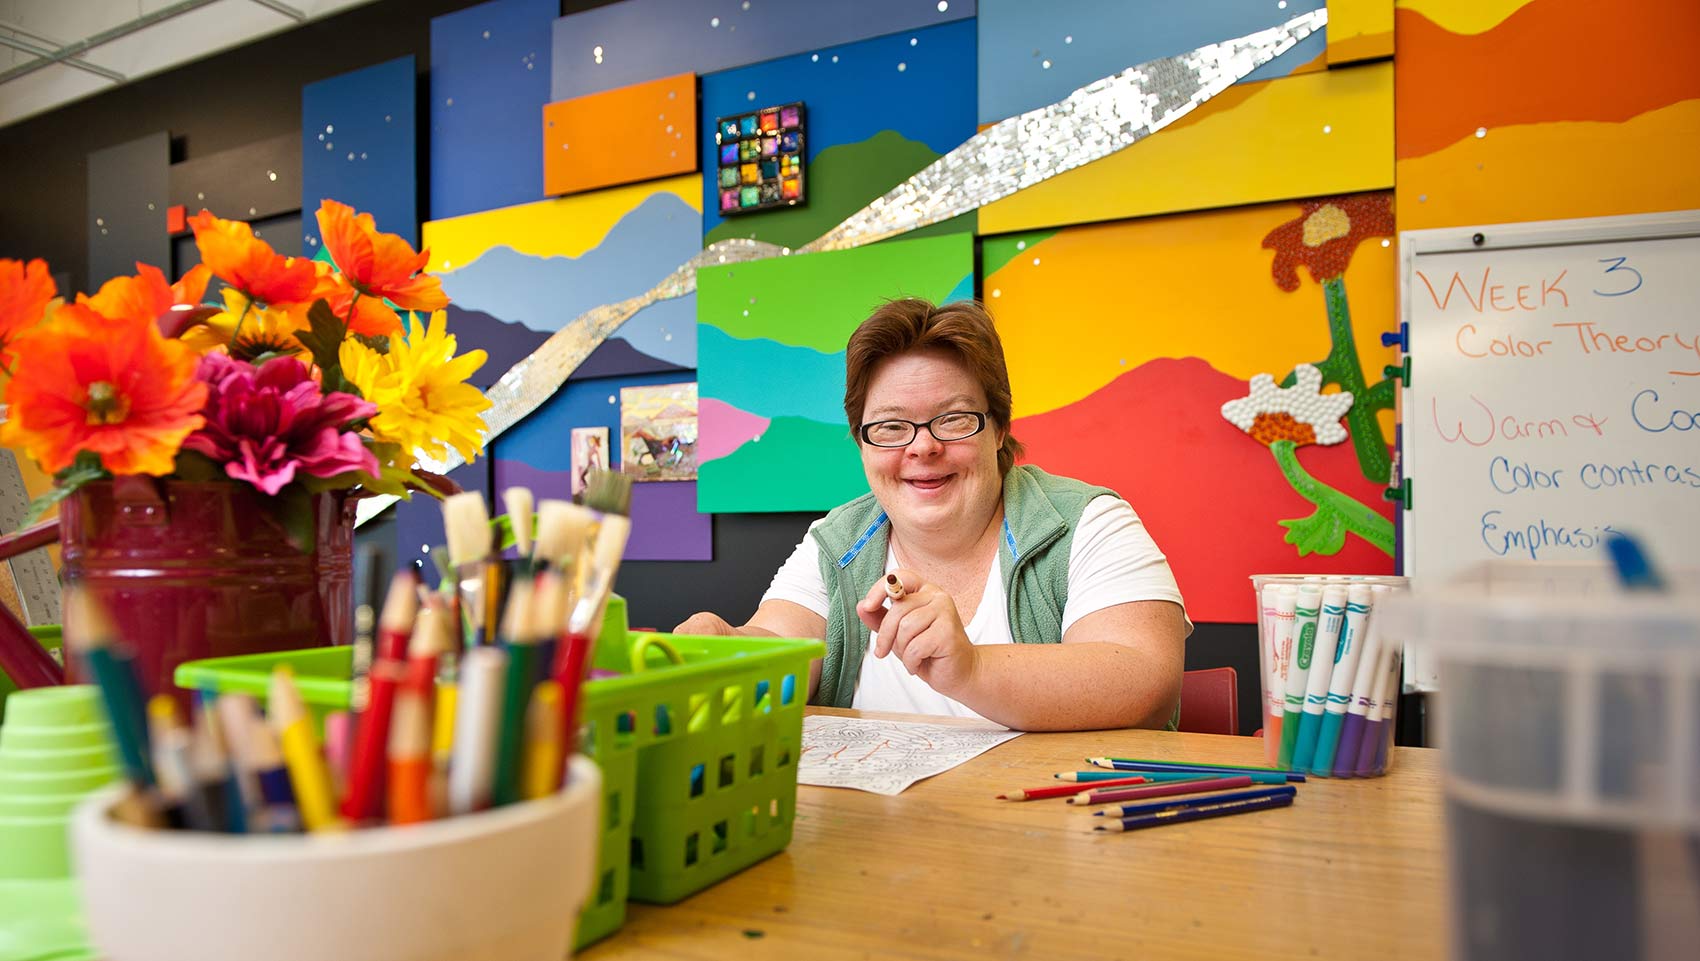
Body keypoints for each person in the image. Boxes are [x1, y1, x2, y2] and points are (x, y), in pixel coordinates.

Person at [676, 299, 1188, 731]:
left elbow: (1144, 678)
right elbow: (782, 646)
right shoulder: (837, 542)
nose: (922, 447)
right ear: (862, 443)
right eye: (891, 426)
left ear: (999, 429)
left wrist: (971, 667)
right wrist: (727, 650)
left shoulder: (1089, 522)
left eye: (953, 419)